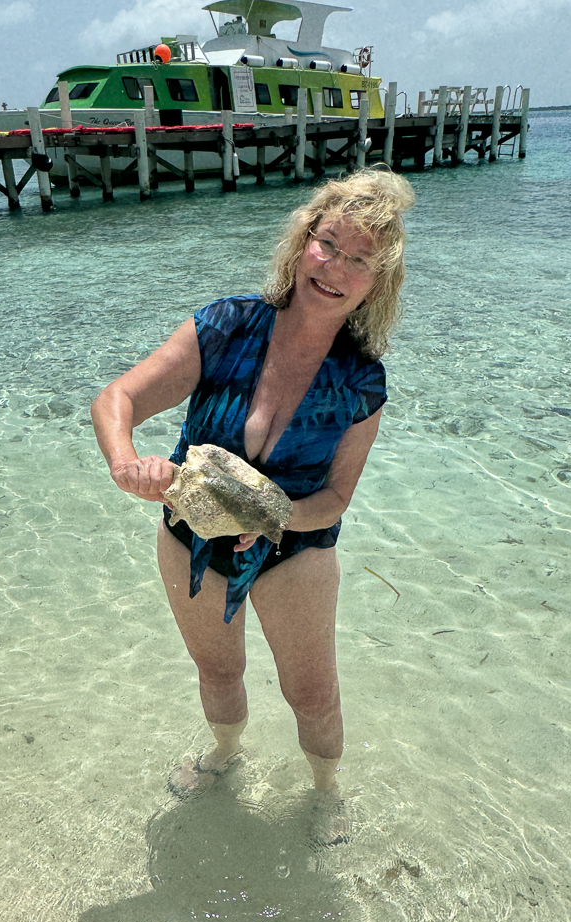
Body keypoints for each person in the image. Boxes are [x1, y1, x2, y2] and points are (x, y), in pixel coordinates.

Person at [91, 168, 414, 809]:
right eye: (328, 244)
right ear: (301, 244)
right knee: (219, 670)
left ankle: (325, 793)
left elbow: (336, 498)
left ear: (377, 282)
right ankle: (227, 752)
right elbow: (118, 398)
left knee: (312, 692)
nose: (336, 267)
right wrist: (129, 464)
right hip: (191, 540)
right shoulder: (227, 328)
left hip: (296, 550)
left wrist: (268, 517)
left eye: (360, 259)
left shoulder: (361, 382)